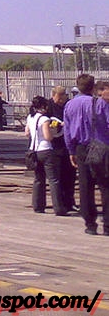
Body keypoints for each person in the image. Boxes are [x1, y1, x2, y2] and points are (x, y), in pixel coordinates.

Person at [63, 73, 109, 235]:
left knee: (85, 186)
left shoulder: (69, 105)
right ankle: (108, 225)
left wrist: (71, 151)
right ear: (93, 87)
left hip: (80, 148)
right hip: (101, 146)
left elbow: (67, 131)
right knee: (105, 186)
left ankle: (90, 224)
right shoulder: (99, 103)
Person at [25, 95, 64, 215]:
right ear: (43, 106)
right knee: (53, 180)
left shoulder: (30, 117)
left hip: (33, 151)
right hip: (46, 150)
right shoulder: (44, 119)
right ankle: (58, 208)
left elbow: (27, 133)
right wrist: (56, 134)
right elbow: (47, 137)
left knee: (38, 179)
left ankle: (38, 206)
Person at [48, 85, 75, 212]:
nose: (60, 101)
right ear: (53, 96)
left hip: (68, 144)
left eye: (62, 98)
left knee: (70, 175)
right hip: (55, 145)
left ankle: (70, 202)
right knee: (57, 176)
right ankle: (60, 203)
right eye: (58, 99)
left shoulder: (69, 104)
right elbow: (46, 122)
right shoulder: (49, 106)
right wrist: (57, 124)